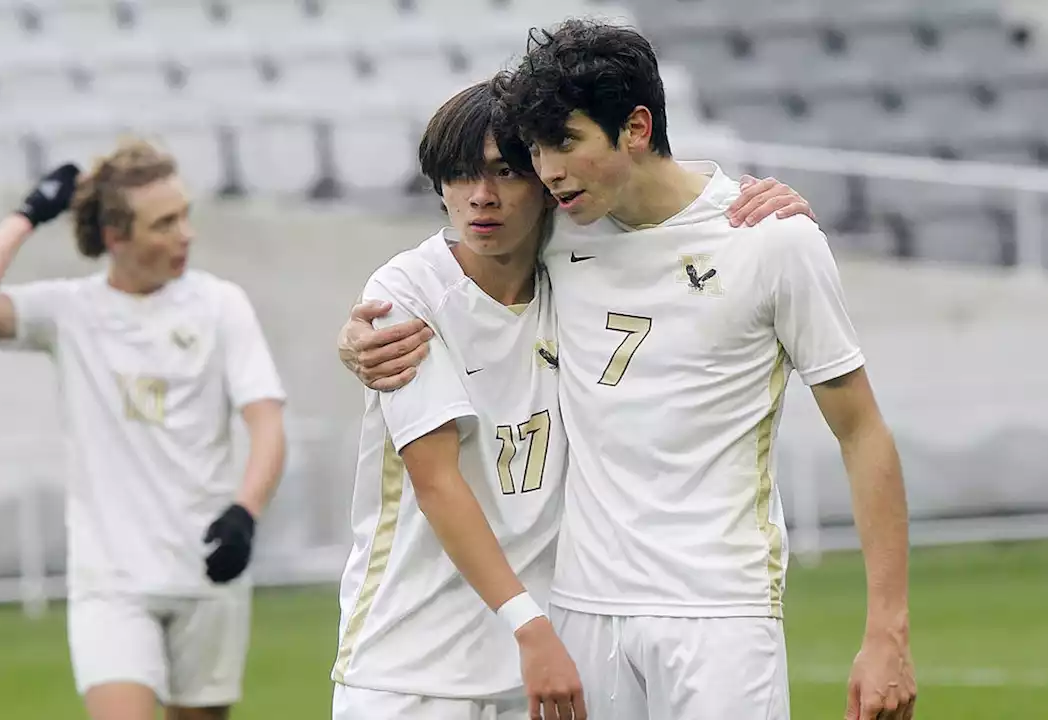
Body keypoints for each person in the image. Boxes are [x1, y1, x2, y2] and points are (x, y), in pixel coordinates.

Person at [339, 18, 916, 720]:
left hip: (719, 610)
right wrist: (358, 339)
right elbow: (454, 259)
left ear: (635, 128)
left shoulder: (770, 242)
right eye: (539, 150)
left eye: (566, 144)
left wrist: (888, 630)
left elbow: (861, 432)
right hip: (582, 612)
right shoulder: (560, 231)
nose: (548, 171)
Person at [0, 140, 287, 720]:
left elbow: (267, 422)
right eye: (165, 222)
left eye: (185, 215)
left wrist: (245, 514)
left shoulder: (221, 305)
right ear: (115, 238)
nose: (186, 235)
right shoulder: (70, 311)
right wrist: (28, 215)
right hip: (112, 580)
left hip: (207, 568)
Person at [331, 81, 584, 720]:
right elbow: (437, 482)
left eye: (505, 172)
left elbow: (647, 185)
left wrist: (742, 194)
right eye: (460, 174)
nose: (481, 197)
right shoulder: (404, 291)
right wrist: (530, 626)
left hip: (538, 669)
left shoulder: (585, 272)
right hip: (409, 670)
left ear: (546, 177)